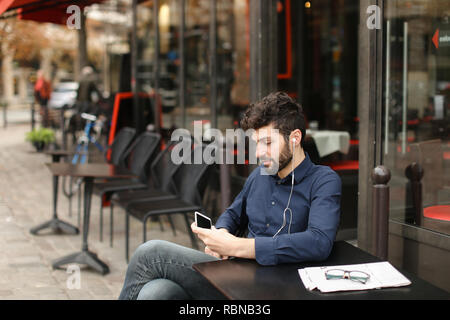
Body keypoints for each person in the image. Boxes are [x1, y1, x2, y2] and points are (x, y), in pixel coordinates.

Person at [118, 92, 342, 300]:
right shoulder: (260, 176)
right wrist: (221, 237)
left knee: (151, 253)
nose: (259, 153)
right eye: (256, 143)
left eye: (268, 143)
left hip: (277, 287)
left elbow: (318, 242)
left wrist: (236, 246)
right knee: (156, 292)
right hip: (234, 275)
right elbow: (233, 214)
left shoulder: (323, 180)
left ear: (295, 138)